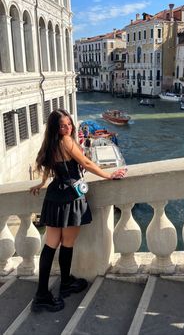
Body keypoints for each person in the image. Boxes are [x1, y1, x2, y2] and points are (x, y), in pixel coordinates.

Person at [30, 109, 126, 313]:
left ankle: (49, 290)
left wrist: (41, 183)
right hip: (70, 196)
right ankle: (51, 291)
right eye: (63, 125)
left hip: (55, 194)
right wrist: (108, 176)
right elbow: (86, 163)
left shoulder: (52, 142)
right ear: (56, 128)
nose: (68, 128)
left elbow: (50, 167)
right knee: (67, 244)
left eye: (69, 124)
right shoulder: (66, 141)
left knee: (50, 246)